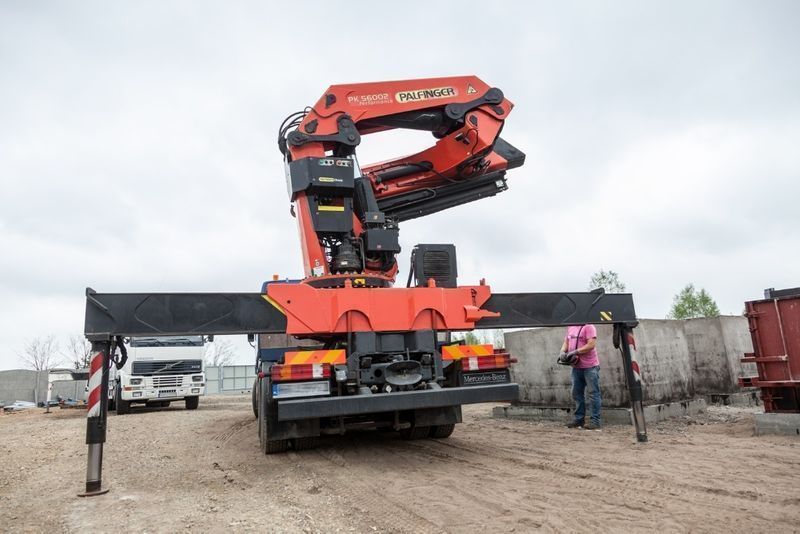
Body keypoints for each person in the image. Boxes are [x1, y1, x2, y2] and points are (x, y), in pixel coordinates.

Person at [558, 324, 601, 430]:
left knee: (593, 394)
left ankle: (595, 422)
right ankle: (579, 420)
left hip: (590, 367)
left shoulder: (589, 327)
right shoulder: (571, 327)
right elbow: (566, 342)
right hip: (576, 367)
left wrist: (575, 351)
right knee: (576, 394)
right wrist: (562, 351)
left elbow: (591, 345)